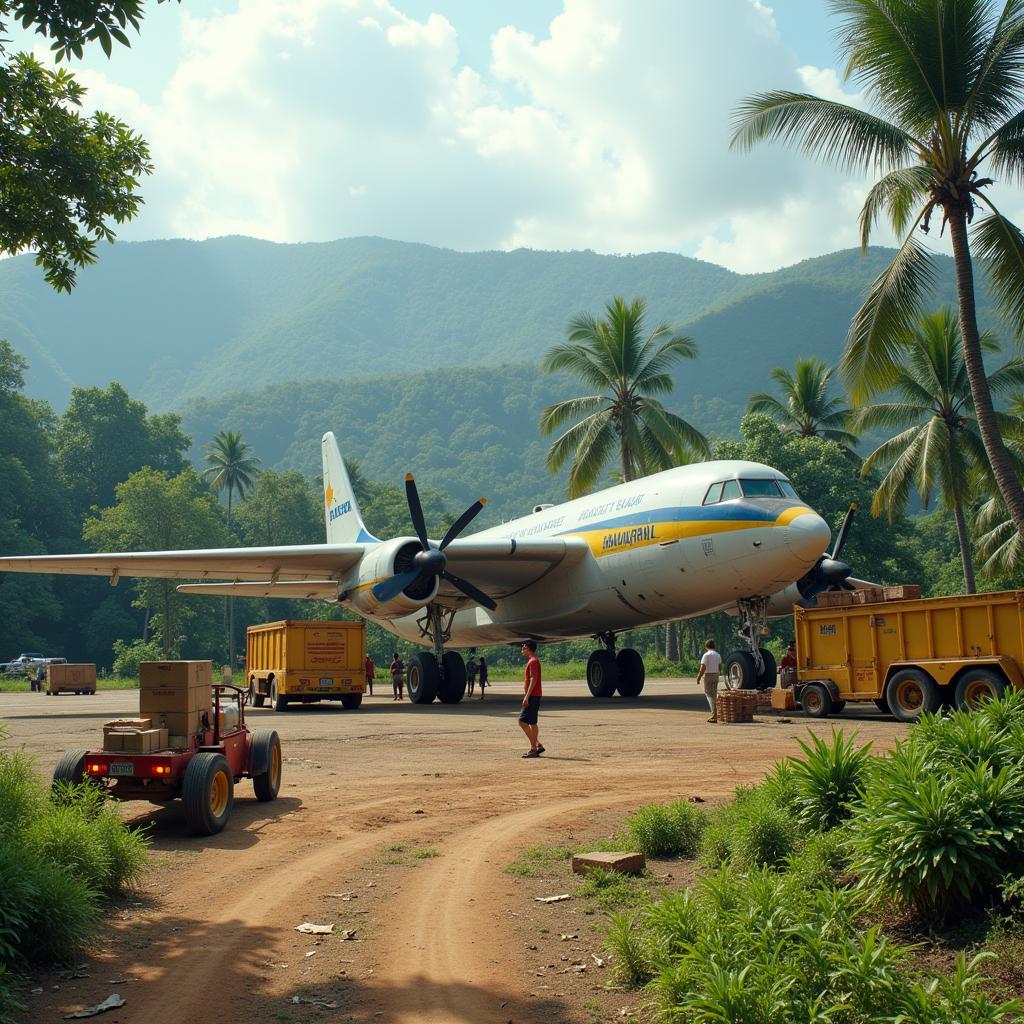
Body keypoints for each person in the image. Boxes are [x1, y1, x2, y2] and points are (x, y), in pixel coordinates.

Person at [518, 640, 544, 757]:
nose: (522, 649)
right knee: (532, 723)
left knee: (522, 722)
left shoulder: (533, 661)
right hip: (535, 695)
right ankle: (538, 745)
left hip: (532, 696)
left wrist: (526, 697)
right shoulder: (533, 661)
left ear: (528, 648)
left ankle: (533, 748)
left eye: (523, 647)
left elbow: (533, 679)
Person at [695, 639, 722, 723]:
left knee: (709, 694)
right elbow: (720, 666)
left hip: (708, 676)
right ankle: (717, 712)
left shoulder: (706, 655)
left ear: (706, 646)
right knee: (714, 693)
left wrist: (699, 677)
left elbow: (703, 667)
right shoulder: (718, 655)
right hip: (716, 675)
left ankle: (714, 715)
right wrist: (717, 673)